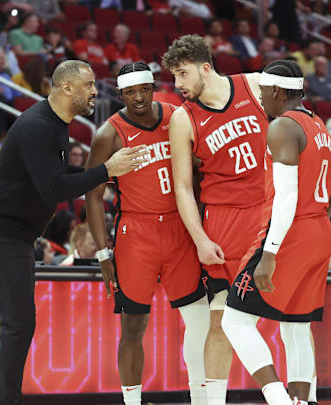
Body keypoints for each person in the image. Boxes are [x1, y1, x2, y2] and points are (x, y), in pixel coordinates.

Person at [0, 60, 147, 405]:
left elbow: (59, 172)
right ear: (67, 88)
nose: (96, 91)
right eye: (90, 85)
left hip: (13, 232)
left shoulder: (55, 122)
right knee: (18, 323)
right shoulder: (38, 126)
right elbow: (53, 189)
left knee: (19, 323)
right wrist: (107, 169)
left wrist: (108, 174)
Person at [86, 63, 209, 405]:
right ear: (120, 94)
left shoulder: (179, 117)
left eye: (144, 89)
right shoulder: (108, 134)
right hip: (135, 234)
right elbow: (92, 196)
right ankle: (132, 402)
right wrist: (102, 252)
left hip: (179, 228)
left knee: (199, 321)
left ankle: (203, 398)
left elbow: (202, 169)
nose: (138, 98)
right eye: (130, 92)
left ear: (154, 87)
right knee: (133, 328)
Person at [163, 34, 268, 405]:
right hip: (223, 222)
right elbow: (182, 188)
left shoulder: (254, 85)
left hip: (266, 214)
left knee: (292, 317)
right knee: (221, 318)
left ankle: (301, 396)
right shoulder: (182, 118)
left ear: (205, 68)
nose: (178, 84)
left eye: (183, 74)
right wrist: (200, 240)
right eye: (174, 76)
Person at [221, 60, 331, 405]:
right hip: (320, 229)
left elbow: (287, 196)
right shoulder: (318, 125)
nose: (259, 99)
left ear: (275, 91)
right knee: (296, 326)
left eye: (261, 93)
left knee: (235, 321)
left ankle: (278, 398)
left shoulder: (282, 127)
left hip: (291, 231)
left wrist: (269, 253)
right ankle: (303, 400)